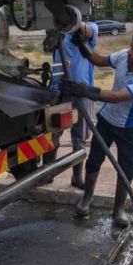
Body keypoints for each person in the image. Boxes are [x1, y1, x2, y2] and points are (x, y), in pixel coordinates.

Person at [60, 31, 133, 227]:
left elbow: (115, 96)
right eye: (131, 46)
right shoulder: (124, 56)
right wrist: (83, 45)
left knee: (126, 168)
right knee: (94, 160)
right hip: (106, 120)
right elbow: (100, 60)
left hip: (128, 128)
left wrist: (84, 90)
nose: (130, 52)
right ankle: (87, 199)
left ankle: (118, 209)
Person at [49, 21, 99, 189]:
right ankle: (47, 174)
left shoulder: (88, 29)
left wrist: (73, 20)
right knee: (52, 134)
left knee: (79, 139)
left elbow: (89, 30)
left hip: (81, 92)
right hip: (59, 90)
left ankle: (77, 177)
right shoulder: (58, 32)